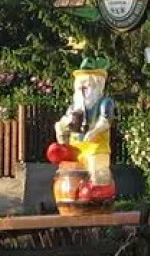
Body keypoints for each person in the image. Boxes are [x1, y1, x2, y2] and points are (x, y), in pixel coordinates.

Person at [48, 59, 116, 205]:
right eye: (80, 87)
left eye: (87, 86)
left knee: (97, 172)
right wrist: (61, 127)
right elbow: (65, 122)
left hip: (95, 146)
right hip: (76, 146)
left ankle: (97, 195)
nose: (82, 90)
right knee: (63, 162)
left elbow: (105, 122)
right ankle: (71, 195)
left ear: (98, 85)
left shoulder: (105, 103)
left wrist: (94, 132)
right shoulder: (75, 106)